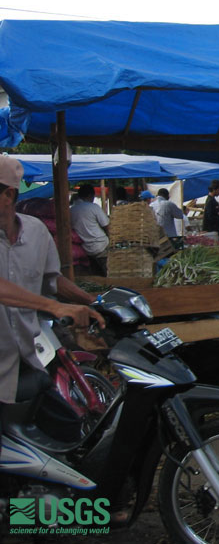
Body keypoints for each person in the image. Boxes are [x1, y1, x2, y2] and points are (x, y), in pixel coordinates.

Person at [0, 156, 105, 435]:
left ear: (8, 194)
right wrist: (54, 308)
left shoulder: (36, 232)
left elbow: (51, 279)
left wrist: (93, 303)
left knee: (69, 433)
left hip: (26, 359)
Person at [69, 184, 110, 276]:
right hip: (101, 245)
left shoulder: (72, 210)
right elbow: (107, 226)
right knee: (108, 273)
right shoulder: (93, 207)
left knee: (95, 275)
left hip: (86, 249)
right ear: (90, 195)